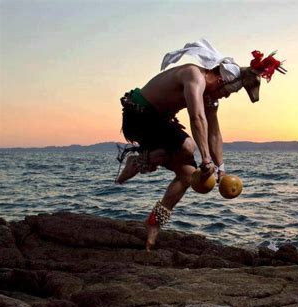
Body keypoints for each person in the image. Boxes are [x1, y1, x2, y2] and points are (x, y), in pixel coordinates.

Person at [115, 39, 286, 251]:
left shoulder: (210, 97)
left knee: (188, 175)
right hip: (139, 114)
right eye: (227, 92)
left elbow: (214, 132)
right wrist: (205, 159)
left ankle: (153, 223)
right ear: (221, 80)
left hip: (161, 121)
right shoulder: (193, 76)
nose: (225, 96)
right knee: (188, 146)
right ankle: (140, 160)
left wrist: (221, 169)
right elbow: (196, 118)